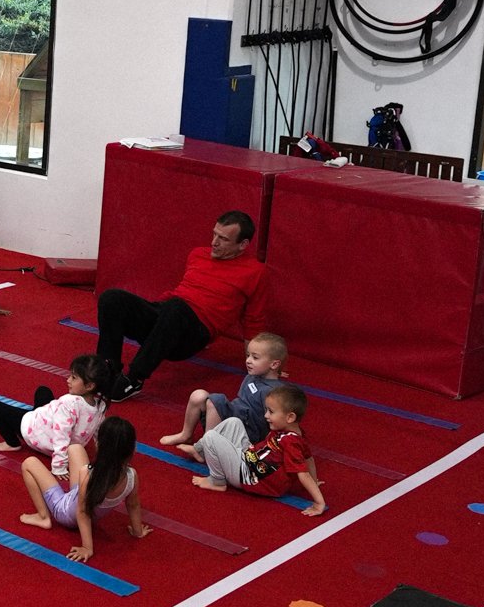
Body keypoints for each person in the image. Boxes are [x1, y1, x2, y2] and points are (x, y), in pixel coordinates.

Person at [96, 210, 270, 402]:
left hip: (193, 334)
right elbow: (183, 292)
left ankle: (135, 379)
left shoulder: (255, 272)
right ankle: (106, 370)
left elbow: (253, 319)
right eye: (214, 234)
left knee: (176, 308)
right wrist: (152, 313)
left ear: (243, 245)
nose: (214, 242)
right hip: (169, 316)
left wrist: (258, 361)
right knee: (111, 298)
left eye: (223, 239)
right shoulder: (198, 255)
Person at [19, 416, 151, 562]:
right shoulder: (132, 476)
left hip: (65, 512)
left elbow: (82, 512)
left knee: (29, 463)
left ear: (98, 444)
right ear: (132, 449)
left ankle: (43, 517)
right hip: (84, 497)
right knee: (76, 448)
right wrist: (137, 531)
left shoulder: (87, 474)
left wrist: (87, 548)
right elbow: (133, 504)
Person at [192, 383, 325, 516]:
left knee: (210, 437)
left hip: (250, 477)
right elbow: (309, 458)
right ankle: (199, 449)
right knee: (234, 422)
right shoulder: (294, 434)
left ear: (290, 417)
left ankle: (217, 481)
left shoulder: (290, 442)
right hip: (251, 461)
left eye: (271, 412)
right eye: (266, 410)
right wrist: (315, 480)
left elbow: (302, 472)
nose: (266, 415)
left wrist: (319, 502)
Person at [161, 332, 289, 454]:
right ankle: (186, 435)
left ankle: (206, 449)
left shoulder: (273, 392)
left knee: (216, 400)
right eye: (247, 355)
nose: (248, 360)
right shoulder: (256, 375)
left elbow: (278, 421)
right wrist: (275, 371)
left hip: (245, 431)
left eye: (255, 357)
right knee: (198, 396)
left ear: (274, 364)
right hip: (234, 415)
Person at [0, 354, 112, 469]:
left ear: (89, 386)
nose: (68, 380)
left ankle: (12, 443)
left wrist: (59, 466)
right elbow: (98, 433)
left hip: (33, 431)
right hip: (48, 425)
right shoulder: (100, 405)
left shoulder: (69, 403)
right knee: (43, 391)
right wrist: (102, 456)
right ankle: (38, 413)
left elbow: (61, 435)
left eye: (73, 378)